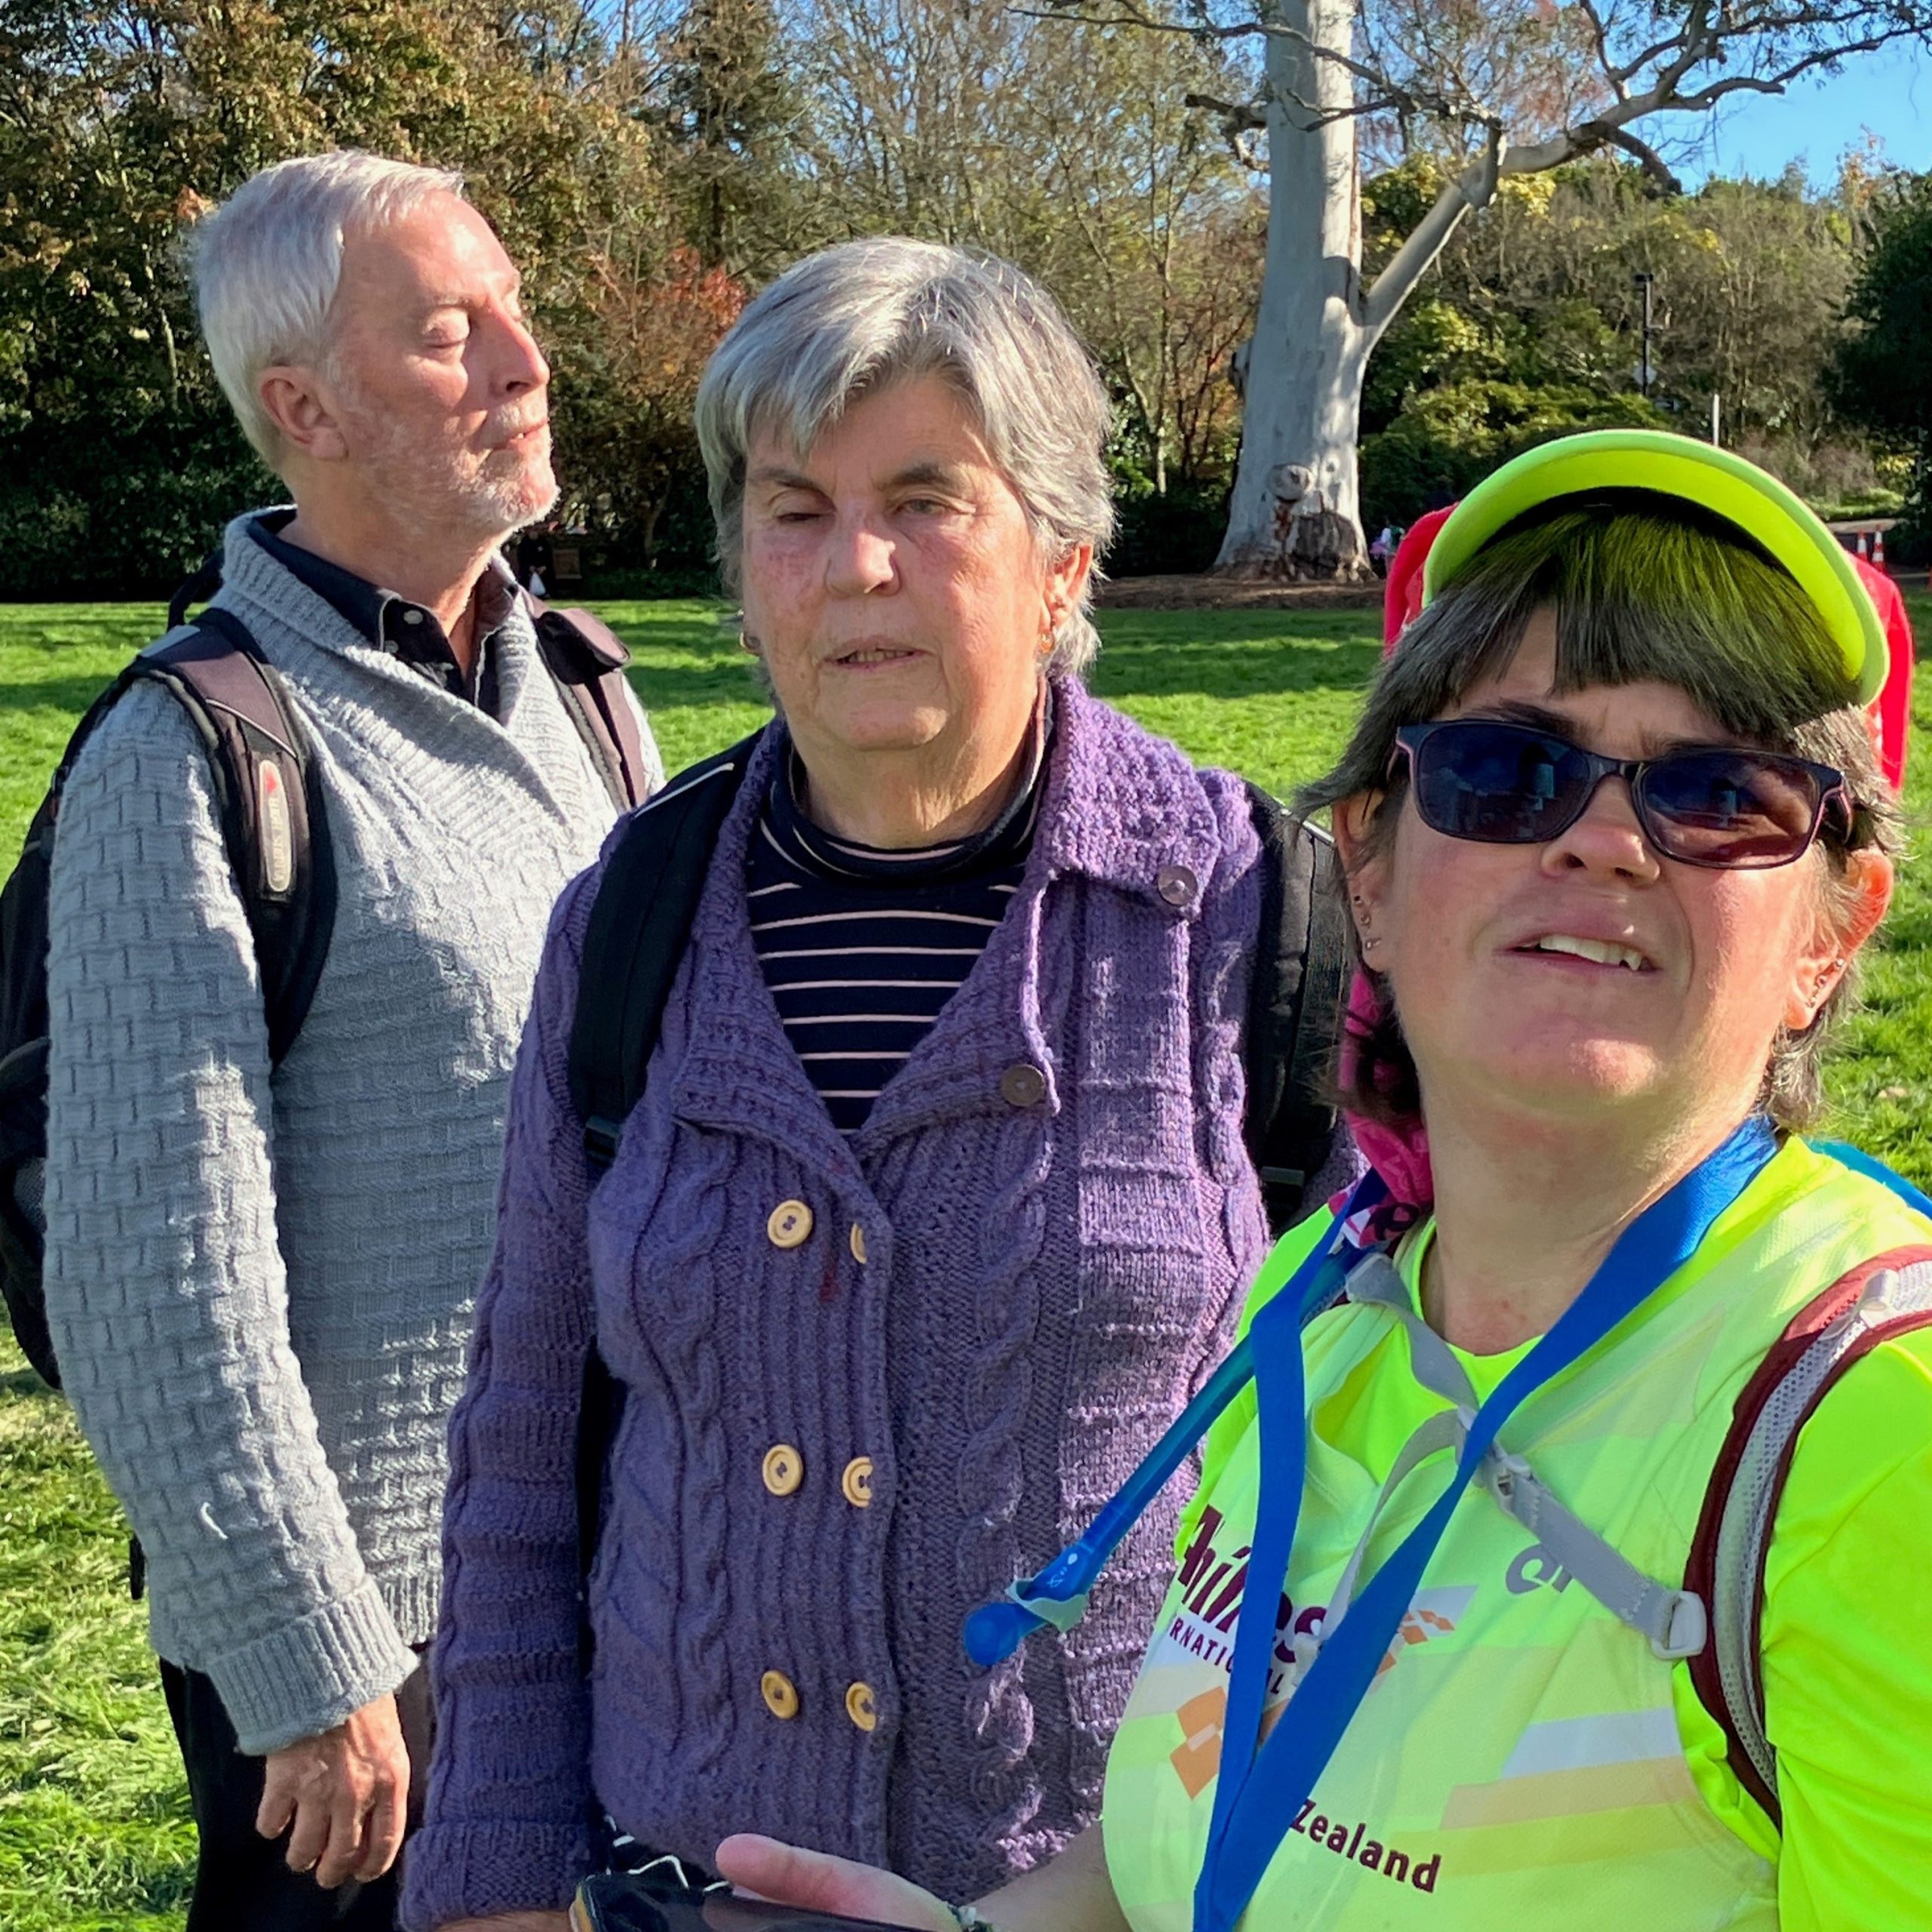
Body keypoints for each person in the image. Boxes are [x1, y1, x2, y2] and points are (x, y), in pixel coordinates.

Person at [711, 431, 1932, 1928]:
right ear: (1367, 862)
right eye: (1505, 768)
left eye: (1720, 792)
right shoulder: (1317, 1303)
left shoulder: (1879, 1429)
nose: (1604, 840)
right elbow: (1214, 1834)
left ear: (1829, 925)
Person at [402, 238, 1358, 1932]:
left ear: (1063, 562)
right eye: (794, 507)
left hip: (1116, 1889)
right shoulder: (628, 918)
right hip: (665, 1885)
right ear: (741, 565)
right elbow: (524, 1440)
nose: (855, 566)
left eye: (926, 500)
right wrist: (484, 1871)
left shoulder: (1251, 916)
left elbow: (1384, 1455)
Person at [38, 150, 660, 1931]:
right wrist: (306, 1658)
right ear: (299, 405)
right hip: (377, 1647)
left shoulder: (585, 685)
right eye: (450, 333)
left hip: (618, 1581)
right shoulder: (189, 752)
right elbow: (156, 1276)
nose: (526, 361)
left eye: (512, 309)